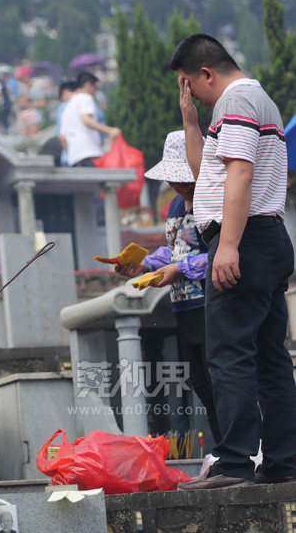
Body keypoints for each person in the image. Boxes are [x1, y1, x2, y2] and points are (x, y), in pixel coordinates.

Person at [172, 33, 296, 489]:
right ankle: (283, 459)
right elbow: (212, 174)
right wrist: (190, 122)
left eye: (190, 87)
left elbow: (240, 173)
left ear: (206, 73)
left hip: (243, 239)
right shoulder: (253, 102)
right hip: (264, 240)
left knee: (227, 355)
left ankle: (234, 462)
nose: (194, 98)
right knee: (268, 355)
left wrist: (227, 245)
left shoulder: (236, 101)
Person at [115, 130, 221, 445]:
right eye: (174, 179)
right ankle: (228, 451)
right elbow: (176, 249)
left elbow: (220, 252)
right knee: (200, 382)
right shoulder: (175, 205)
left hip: (211, 302)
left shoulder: (212, 198)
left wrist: (181, 269)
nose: (178, 185)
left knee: (222, 382)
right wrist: (146, 264)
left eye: (184, 178)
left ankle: (245, 451)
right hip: (183, 306)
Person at [59, 71, 121, 167]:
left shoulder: (67, 107)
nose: (95, 92)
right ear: (88, 85)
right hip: (89, 153)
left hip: (74, 158)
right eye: (95, 88)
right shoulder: (85, 98)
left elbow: (62, 137)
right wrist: (110, 131)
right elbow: (86, 120)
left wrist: (72, 152)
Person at [16, 65, 46, 137]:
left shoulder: (36, 88)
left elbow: (42, 103)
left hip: (34, 115)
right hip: (24, 116)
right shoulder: (22, 89)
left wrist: (29, 104)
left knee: (32, 137)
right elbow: (21, 103)